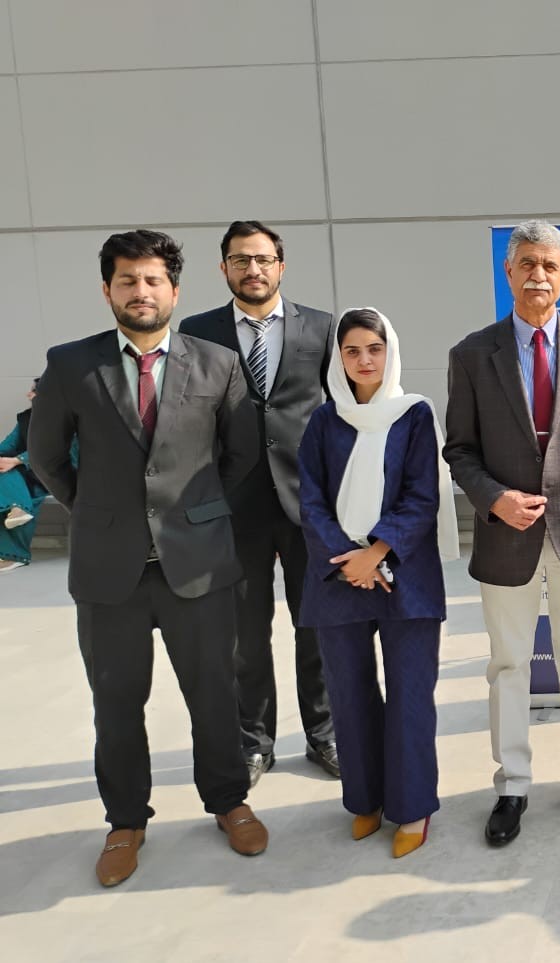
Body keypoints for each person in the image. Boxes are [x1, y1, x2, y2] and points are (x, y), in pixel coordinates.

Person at [27, 229, 266, 887]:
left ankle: (229, 801)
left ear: (174, 290)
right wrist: (97, 511)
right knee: (116, 703)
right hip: (110, 570)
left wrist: (197, 511)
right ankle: (126, 821)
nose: (141, 291)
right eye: (128, 280)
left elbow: (241, 452)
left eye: (153, 279)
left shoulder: (217, 363)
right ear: (107, 289)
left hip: (200, 565)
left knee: (214, 694)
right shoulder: (71, 365)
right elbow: (46, 456)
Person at [444, 219, 560, 847]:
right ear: (509, 271)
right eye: (527, 264)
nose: (538, 276)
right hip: (507, 536)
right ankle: (513, 785)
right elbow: (459, 449)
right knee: (508, 665)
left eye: (549, 265)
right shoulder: (473, 355)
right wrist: (493, 499)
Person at [179, 221, 339, 787]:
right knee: (244, 635)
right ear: (223, 267)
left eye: (263, 259)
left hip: (309, 504)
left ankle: (326, 734)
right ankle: (254, 742)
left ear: (281, 265)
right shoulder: (196, 332)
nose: (253, 269)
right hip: (232, 506)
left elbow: (339, 411)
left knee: (315, 627)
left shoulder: (321, 327)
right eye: (241, 260)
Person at [298, 307, 456, 859]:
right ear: (338, 359)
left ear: (391, 352)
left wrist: (378, 552)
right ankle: (365, 798)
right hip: (337, 574)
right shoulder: (324, 421)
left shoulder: (414, 415)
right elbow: (310, 499)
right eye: (352, 351)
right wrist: (350, 560)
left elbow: (423, 495)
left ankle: (412, 807)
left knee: (410, 697)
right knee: (349, 695)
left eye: (374, 348)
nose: (365, 360)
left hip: (405, 575)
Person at [1, 379, 78, 573]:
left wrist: (17, 460)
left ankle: (14, 552)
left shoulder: (69, 419)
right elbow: (9, 445)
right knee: (4, 473)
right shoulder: (27, 418)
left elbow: (59, 452)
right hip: (30, 473)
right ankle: (17, 510)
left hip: (61, 473)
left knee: (7, 474)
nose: (28, 395)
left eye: (33, 391)